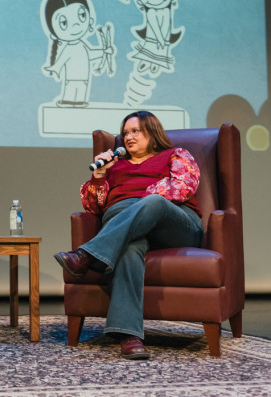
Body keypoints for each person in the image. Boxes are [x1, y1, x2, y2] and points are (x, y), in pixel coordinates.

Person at [54, 110, 203, 360]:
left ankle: (87, 255)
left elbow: (182, 187)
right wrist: (100, 175)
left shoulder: (176, 155)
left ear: (152, 132)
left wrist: (138, 200)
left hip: (175, 224)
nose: (128, 137)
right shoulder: (114, 166)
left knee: (152, 203)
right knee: (129, 247)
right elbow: (93, 206)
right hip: (131, 229)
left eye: (135, 131)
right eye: (125, 133)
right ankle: (129, 335)